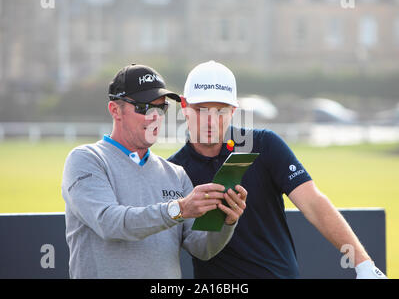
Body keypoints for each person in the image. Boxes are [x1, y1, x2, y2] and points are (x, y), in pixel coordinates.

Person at [168, 60, 387, 279]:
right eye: (201, 110)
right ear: (185, 107)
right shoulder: (172, 170)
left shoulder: (265, 145)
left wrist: (364, 265)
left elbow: (313, 203)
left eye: (221, 111)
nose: (211, 121)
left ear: (234, 110)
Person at [61, 63, 247, 278]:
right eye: (144, 107)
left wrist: (226, 221)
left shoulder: (175, 174)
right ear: (115, 110)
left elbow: (202, 248)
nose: (154, 116)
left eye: (161, 108)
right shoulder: (86, 159)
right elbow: (109, 223)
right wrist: (178, 209)